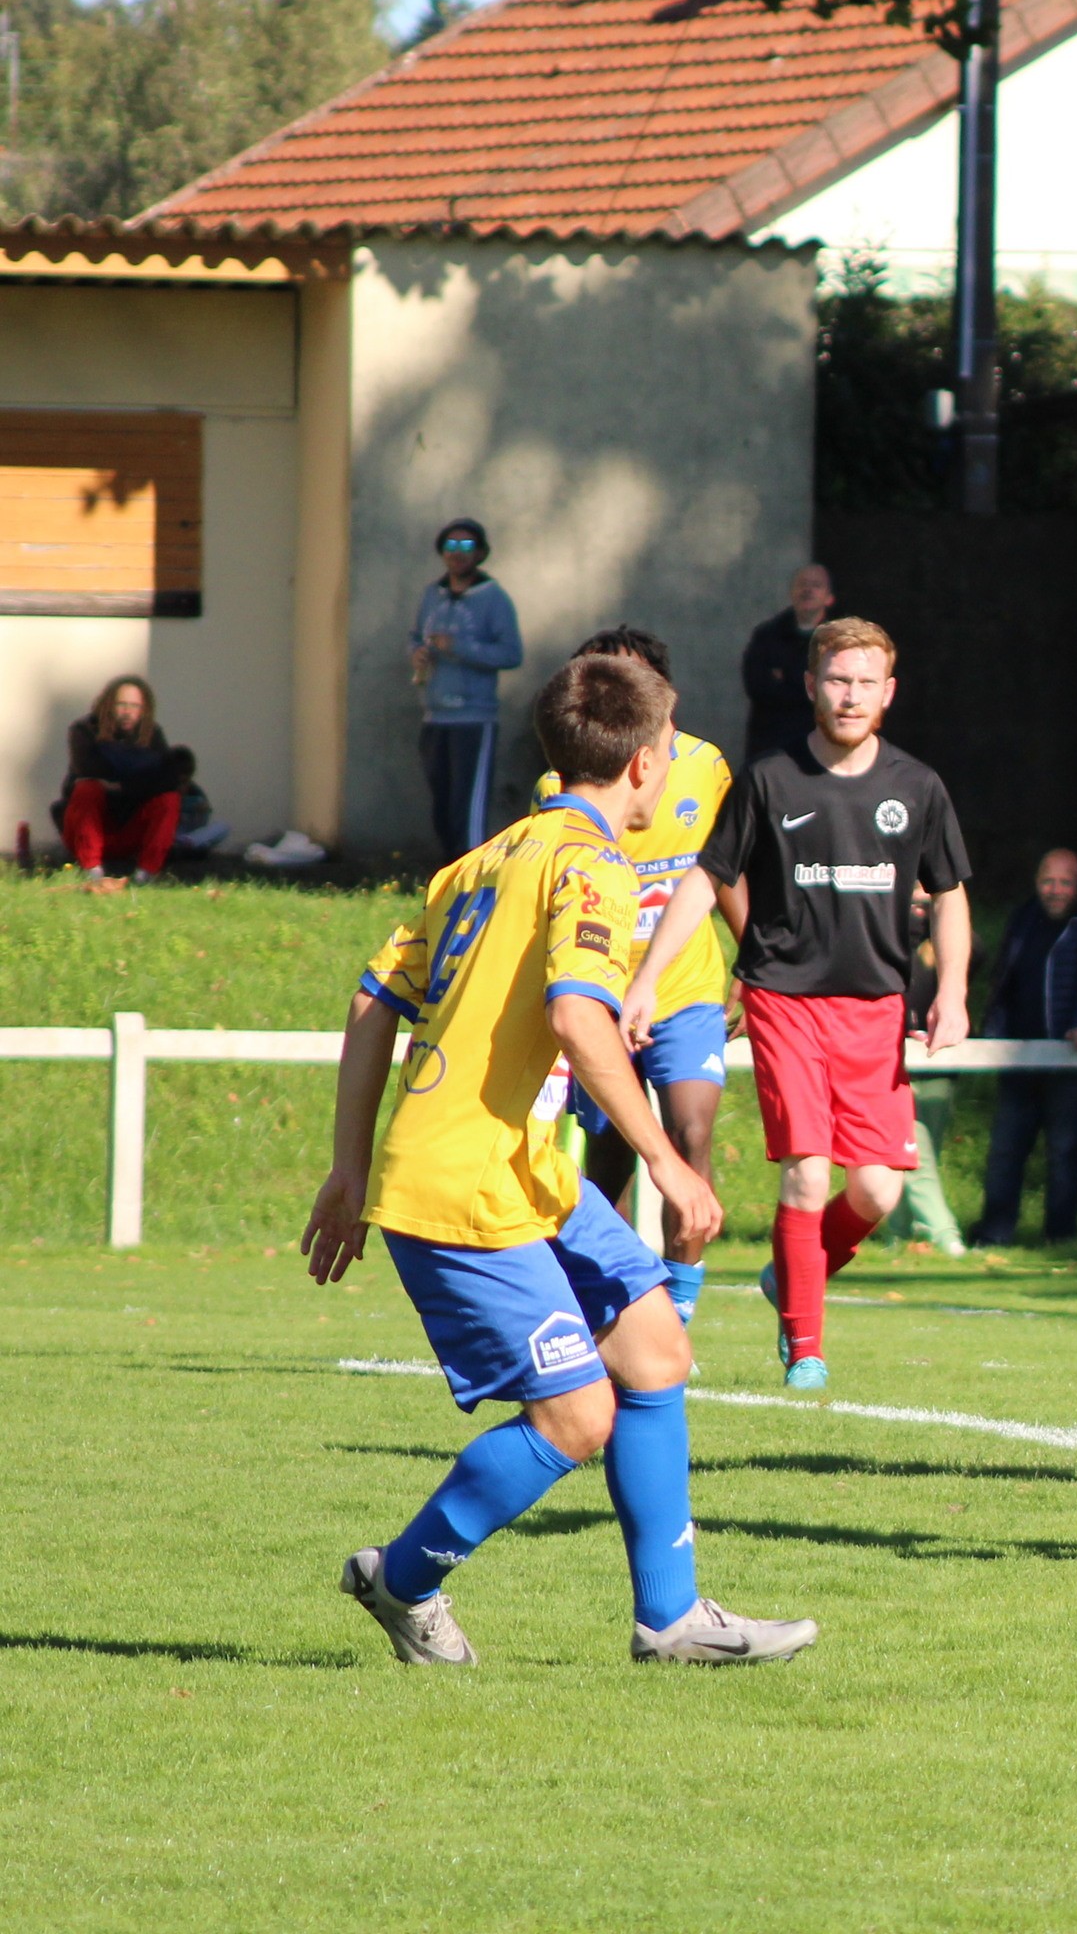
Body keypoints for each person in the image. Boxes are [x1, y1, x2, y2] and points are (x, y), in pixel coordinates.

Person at [297, 646, 816, 1667]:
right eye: (666, 754)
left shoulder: (482, 860)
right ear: (641, 766)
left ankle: (670, 1618)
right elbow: (580, 1018)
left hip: (530, 1171)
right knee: (578, 1415)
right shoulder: (596, 868)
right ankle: (402, 1581)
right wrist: (667, 1161)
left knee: (657, 1348)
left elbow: (372, 1002)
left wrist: (350, 1165)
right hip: (467, 1182)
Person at [625, 617, 971, 1392]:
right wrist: (647, 980)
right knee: (809, 1174)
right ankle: (805, 1346)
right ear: (812, 685)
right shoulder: (770, 780)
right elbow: (705, 879)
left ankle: (795, 1272)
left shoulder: (917, 787)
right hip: (786, 998)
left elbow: (948, 895)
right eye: (837, 681)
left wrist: (950, 991)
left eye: (866, 683)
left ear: (889, 693)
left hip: (878, 1008)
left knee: (877, 1191)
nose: (851, 697)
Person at [535, 627, 739, 1324]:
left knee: (691, 1133)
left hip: (685, 991)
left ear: (665, 695)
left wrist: (754, 963)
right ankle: (614, 1300)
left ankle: (679, 1299)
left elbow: (725, 866)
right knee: (611, 1158)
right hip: (601, 997)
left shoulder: (706, 768)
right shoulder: (560, 786)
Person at [982, 846, 1077, 1246]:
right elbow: (1004, 983)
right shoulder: (1023, 920)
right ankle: (994, 1233)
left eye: (1064, 882)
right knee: (1006, 1149)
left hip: (1071, 1062)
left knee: (1064, 1150)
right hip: (1020, 1061)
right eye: (1048, 881)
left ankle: (1060, 1236)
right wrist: (995, 1031)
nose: (1055, 890)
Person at [411, 517, 525, 856]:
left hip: (474, 719)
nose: (457, 554)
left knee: (468, 807)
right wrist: (416, 653)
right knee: (442, 806)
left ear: (480, 553)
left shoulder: (494, 599)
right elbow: (415, 636)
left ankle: (472, 880)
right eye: (450, 546)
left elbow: (511, 654)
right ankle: (447, 879)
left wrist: (458, 647)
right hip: (434, 716)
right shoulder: (432, 595)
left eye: (466, 547)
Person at [60, 675, 191, 888]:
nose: (128, 712)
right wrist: (142, 773)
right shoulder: (84, 730)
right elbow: (87, 769)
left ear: (143, 709)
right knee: (87, 788)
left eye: (134, 706)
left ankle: (146, 874)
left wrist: (122, 785)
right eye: (122, 705)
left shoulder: (152, 734)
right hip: (90, 828)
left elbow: (168, 779)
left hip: (130, 826)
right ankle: (92, 871)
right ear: (109, 705)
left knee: (169, 800)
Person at [740, 564, 836, 766]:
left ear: (829, 597)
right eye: (802, 584)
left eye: (816, 585)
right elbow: (757, 686)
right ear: (792, 592)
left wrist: (786, 679)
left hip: (818, 748)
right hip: (771, 746)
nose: (807, 590)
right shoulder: (767, 636)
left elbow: (830, 694)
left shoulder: (837, 640)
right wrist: (806, 685)